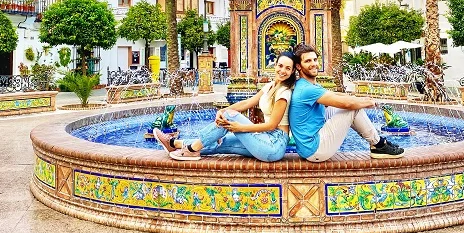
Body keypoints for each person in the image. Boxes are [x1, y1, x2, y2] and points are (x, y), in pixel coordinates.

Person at [153, 51, 298, 162]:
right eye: (280, 66)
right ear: (275, 65)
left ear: (292, 71)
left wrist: (239, 127)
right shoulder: (270, 86)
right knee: (221, 141)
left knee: (230, 115)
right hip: (265, 140)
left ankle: (191, 149)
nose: (282, 70)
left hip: (274, 145)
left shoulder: (284, 93)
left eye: (287, 68)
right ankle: (175, 144)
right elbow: (247, 103)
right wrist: (222, 110)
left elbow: (272, 125)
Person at [289, 44, 404, 162]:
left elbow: (335, 95)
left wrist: (360, 98)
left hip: (307, 148)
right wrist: (365, 103)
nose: (313, 63)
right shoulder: (307, 89)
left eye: (315, 59)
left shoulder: (307, 85)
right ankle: (378, 144)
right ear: (298, 66)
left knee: (351, 103)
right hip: (315, 150)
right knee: (352, 108)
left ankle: (376, 143)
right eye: (308, 61)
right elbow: (347, 104)